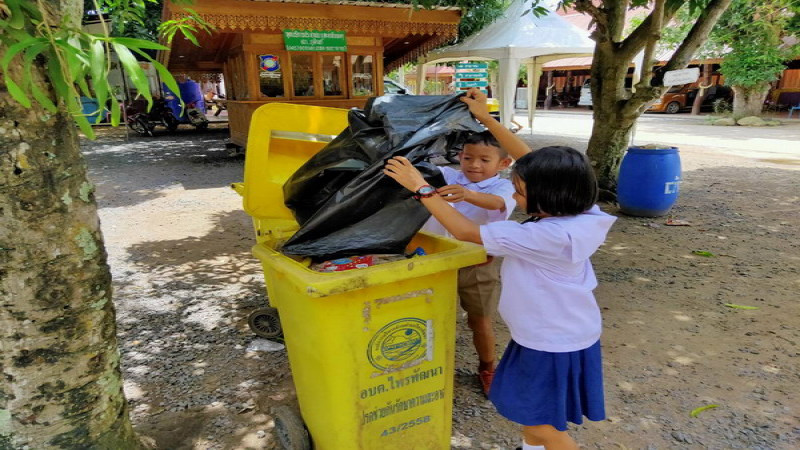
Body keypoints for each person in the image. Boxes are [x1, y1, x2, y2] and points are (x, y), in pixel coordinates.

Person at [383, 87, 616, 450]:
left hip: (549, 344)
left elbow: (463, 230)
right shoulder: (583, 213)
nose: (516, 196)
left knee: (541, 426)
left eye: (520, 192)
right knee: (535, 418)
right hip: (559, 334)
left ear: (546, 196)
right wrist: (486, 117)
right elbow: (536, 164)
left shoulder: (543, 237)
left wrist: (420, 187)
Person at [421, 130, 515, 396]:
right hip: (436, 261)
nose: (474, 165)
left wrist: (466, 194)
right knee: (431, 316)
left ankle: (487, 367)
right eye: (468, 157)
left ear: (503, 164)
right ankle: (428, 366)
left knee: (480, 319)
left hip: (477, 264)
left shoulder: (504, 187)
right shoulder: (447, 176)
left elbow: (497, 203)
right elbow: (418, 175)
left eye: (484, 160)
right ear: (459, 156)